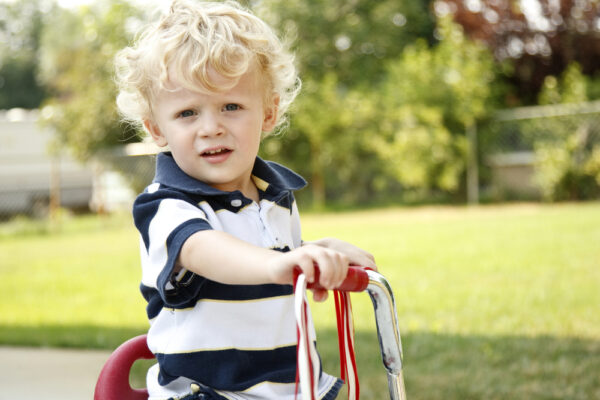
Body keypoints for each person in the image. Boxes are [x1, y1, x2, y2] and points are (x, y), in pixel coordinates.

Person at [115, 1, 376, 399]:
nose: (211, 127)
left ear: (268, 114)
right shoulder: (165, 206)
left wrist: (315, 254)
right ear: (157, 129)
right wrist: (281, 264)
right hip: (208, 391)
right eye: (187, 113)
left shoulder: (275, 195)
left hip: (289, 386)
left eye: (231, 107)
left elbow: (263, 255)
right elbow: (206, 250)